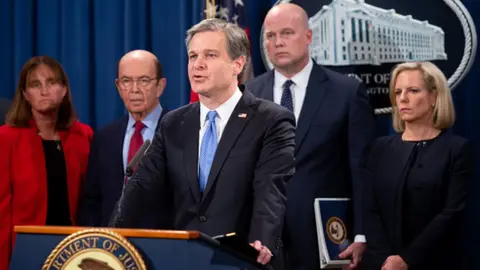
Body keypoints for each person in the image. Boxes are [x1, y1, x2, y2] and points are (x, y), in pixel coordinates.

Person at [110, 18, 296, 267]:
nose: (197, 65)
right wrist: (108, 240)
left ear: (237, 64)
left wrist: (261, 241)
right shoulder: (174, 123)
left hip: (242, 260)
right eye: (192, 56)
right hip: (183, 261)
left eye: (210, 55)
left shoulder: (270, 120)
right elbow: (142, 189)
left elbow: (270, 191)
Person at [246, 3, 376, 269]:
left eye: (286, 33)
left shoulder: (347, 93)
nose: (277, 42)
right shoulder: (247, 94)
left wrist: (362, 233)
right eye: (270, 36)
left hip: (324, 240)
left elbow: (361, 170)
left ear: (308, 37)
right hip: (262, 243)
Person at [363, 61, 474, 270]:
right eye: (398, 92)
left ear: (434, 97)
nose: (403, 98)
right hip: (381, 264)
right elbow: (370, 208)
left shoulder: (456, 149)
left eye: (413, 91)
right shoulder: (380, 148)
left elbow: (452, 213)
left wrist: (406, 260)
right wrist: (385, 259)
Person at [0, 56, 93, 269]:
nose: (44, 91)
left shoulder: (83, 136)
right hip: (25, 250)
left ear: (64, 89)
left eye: (51, 82)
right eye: (35, 84)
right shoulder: (6, 139)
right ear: (25, 94)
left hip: (74, 249)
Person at [78, 50, 169, 228]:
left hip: (164, 245)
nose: (134, 89)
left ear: (160, 86)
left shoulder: (179, 132)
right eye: (127, 81)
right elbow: (92, 201)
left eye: (144, 80)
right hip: (113, 247)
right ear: (118, 87)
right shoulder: (105, 138)